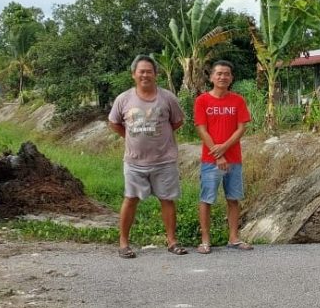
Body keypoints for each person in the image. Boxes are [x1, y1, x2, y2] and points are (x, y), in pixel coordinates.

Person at [108, 54, 187, 258]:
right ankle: (124, 243)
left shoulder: (168, 97)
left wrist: (161, 137)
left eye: (149, 71)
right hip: (134, 162)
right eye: (141, 71)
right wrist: (130, 136)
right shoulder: (123, 99)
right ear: (133, 74)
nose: (145, 75)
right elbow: (114, 122)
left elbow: (178, 121)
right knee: (130, 199)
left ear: (156, 74)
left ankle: (172, 241)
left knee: (167, 200)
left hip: (164, 160)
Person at [193, 60, 253, 253]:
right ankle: (205, 240)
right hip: (210, 160)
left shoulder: (238, 100)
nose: (222, 77)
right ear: (211, 77)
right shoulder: (202, 101)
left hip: (234, 158)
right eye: (218, 73)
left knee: (233, 198)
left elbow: (241, 127)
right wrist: (218, 154)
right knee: (206, 199)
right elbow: (201, 129)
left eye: (226, 74)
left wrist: (225, 147)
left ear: (231, 78)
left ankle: (234, 238)